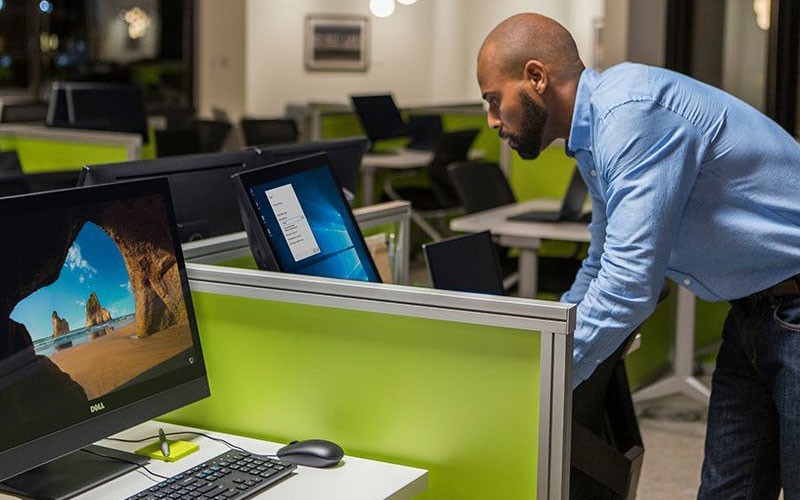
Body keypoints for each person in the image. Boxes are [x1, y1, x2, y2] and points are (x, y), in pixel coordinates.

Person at [477, 12, 800, 500]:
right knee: (726, 491)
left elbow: (629, 285)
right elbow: (603, 260)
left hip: (794, 307)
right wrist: (553, 339)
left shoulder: (629, 115)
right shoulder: (594, 136)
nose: (493, 121)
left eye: (493, 100)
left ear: (536, 78)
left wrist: (544, 379)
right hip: (754, 310)